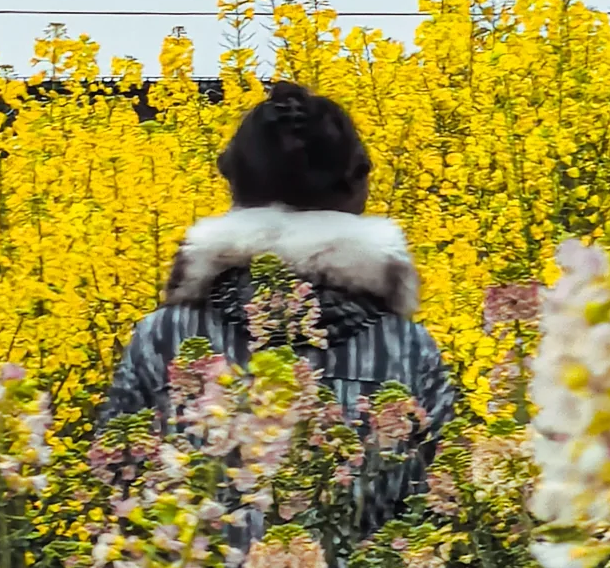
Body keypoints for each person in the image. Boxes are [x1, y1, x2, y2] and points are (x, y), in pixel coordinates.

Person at [101, 80, 455, 535]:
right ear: (359, 188)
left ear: (232, 185)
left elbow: (120, 484)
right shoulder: (406, 348)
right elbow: (441, 506)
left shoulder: (162, 337)